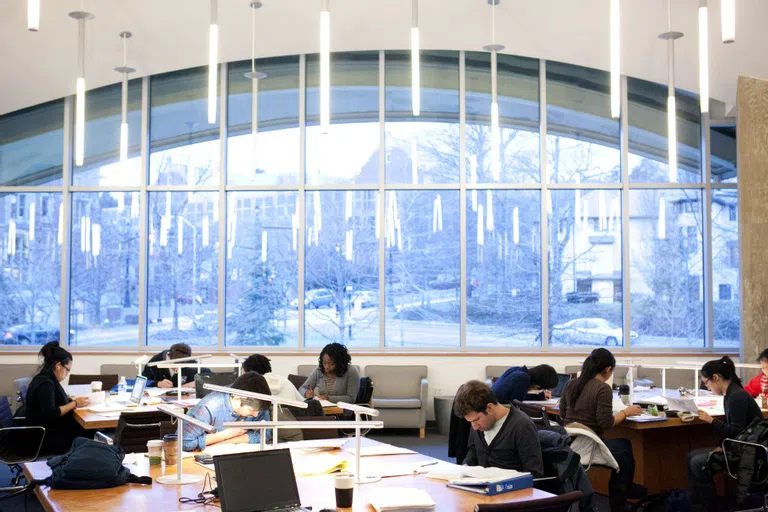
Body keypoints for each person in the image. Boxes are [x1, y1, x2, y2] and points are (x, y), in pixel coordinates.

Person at [559, 348, 644, 512]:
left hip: (571, 442)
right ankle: (621, 498)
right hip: (589, 446)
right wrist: (626, 412)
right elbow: (605, 423)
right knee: (624, 451)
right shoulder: (602, 388)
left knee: (623, 448)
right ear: (607, 370)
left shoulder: (571, 383)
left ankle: (625, 490)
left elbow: (562, 414)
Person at [687, 356, 762, 512]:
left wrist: (711, 421)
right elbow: (735, 430)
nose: (707, 388)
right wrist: (720, 445)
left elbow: (736, 430)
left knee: (697, 462)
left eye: (706, 383)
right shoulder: (730, 394)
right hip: (742, 446)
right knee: (691, 456)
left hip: (749, 452)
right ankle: (696, 504)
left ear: (716, 377)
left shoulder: (736, 396)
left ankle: (709, 507)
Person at [453, 380, 544, 477]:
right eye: (470, 422)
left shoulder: (522, 425)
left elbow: (534, 474)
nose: (474, 427)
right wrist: (467, 465)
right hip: (481, 486)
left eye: (476, 420)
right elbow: (474, 450)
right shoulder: (479, 423)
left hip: (511, 489)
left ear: (489, 408)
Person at [25, 341, 91, 455]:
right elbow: (51, 413)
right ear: (58, 365)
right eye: (67, 369)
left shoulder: (46, 379)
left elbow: (52, 402)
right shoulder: (46, 383)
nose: (67, 374)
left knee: (88, 431)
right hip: (43, 438)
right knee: (88, 433)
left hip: (47, 432)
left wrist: (67, 399)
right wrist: (74, 403)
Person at [183, 372, 275, 451]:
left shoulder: (257, 400)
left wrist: (226, 441)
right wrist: (227, 434)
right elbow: (184, 442)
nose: (256, 415)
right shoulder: (209, 407)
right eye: (252, 410)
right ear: (236, 398)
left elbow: (264, 435)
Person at [492, 365, 559, 404]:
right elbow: (517, 403)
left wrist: (540, 396)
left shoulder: (516, 369)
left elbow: (518, 396)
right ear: (538, 386)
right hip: (498, 407)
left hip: (492, 403)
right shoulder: (523, 378)